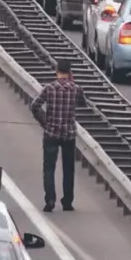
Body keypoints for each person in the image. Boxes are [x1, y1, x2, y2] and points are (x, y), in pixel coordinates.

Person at [29, 59, 87, 212]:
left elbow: (34, 106)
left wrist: (44, 121)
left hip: (51, 133)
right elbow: (83, 104)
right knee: (68, 169)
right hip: (69, 134)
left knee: (49, 168)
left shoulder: (49, 88)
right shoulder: (76, 88)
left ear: (56, 70)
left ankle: (50, 200)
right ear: (70, 71)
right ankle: (67, 202)